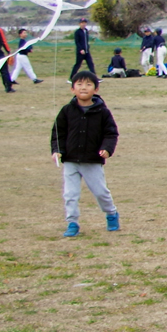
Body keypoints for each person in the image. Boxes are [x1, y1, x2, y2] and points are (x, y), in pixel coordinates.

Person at [50, 71, 119, 237]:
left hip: (92, 160)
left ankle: (111, 213)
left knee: (101, 192)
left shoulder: (102, 112)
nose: (83, 88)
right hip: (71, 160)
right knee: (70, 194)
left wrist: (107, 149)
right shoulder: (67, 111)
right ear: (72, 89)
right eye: (79, 84)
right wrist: (57, 150)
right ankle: (72, 222)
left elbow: (111, 133)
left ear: (95, 89)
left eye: (88, 84)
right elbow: (58, 133)